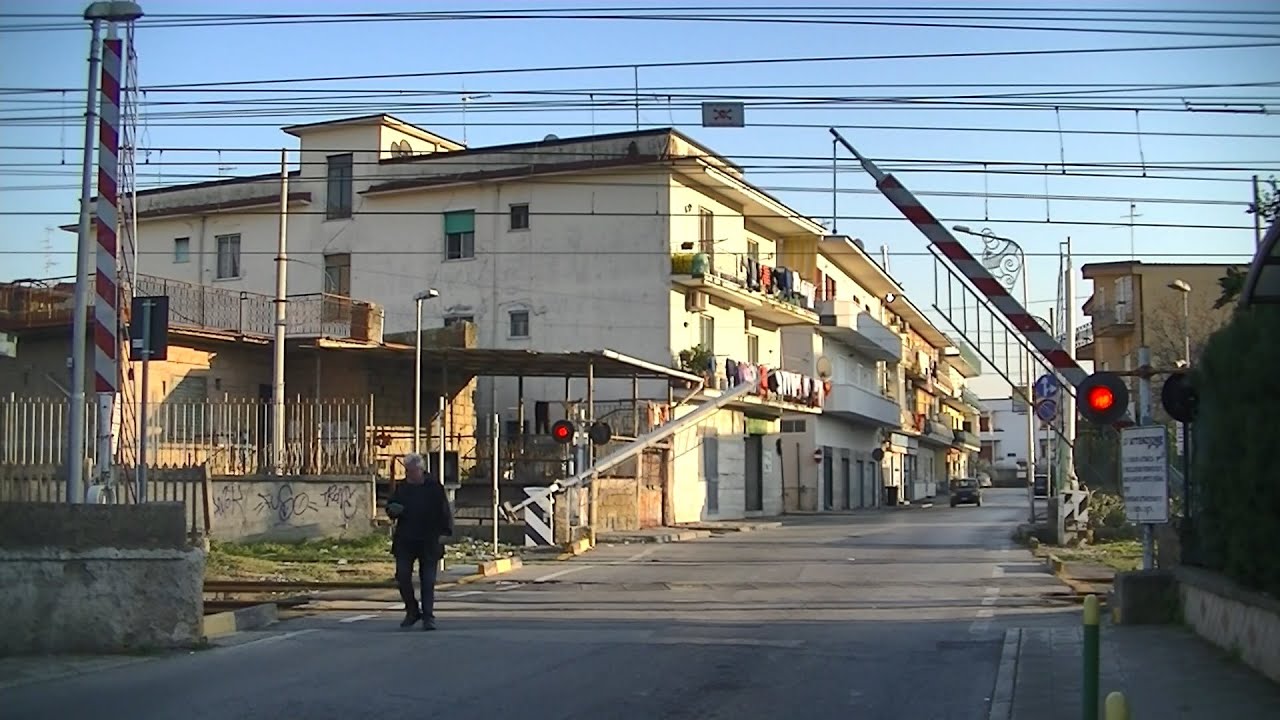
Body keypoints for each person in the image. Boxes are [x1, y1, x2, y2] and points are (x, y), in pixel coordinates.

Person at [385, 452, 453, 630]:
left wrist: (445, 532)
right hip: (406, 539)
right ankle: (412, 611)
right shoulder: (402, 488)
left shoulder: (434, 487)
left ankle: (428, 616)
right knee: (402, 576)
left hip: (429, 539)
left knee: (428, 580)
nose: (410, 475)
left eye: (413, 471)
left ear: (421, 470)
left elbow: (444, 510)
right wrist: (393, 510)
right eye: (407, 471)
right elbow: (391, 506)